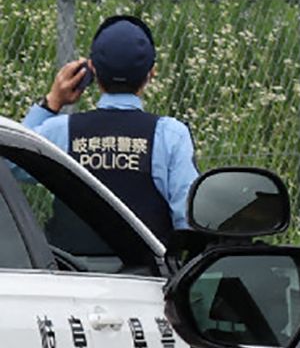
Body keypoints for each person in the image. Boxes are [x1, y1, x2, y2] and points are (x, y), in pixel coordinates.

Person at [27, 14, 198, 237]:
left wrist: (52, 102)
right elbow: (188, 217)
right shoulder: (171, 134)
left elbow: (11, 161)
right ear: (152, 72)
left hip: (68, 259)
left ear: (92, 69)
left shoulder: (60, 130)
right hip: (147, 259)